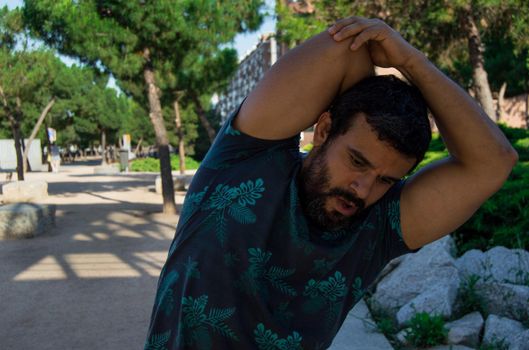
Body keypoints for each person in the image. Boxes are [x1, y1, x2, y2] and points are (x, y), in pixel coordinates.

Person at [144, 17, 517, 349]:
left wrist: (412, 62)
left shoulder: (377, 228)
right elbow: (345, 47)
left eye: (386, 179)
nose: (362, 189)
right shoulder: (246, 160)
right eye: (357, 161)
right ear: (323, 130)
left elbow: (494, 162)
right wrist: (383, 76)